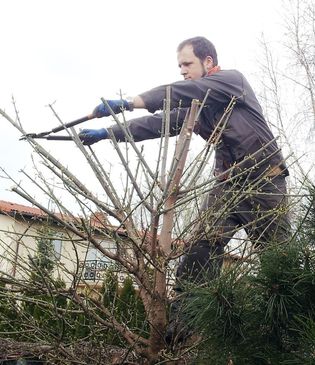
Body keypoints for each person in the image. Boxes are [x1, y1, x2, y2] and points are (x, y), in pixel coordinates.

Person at [79, 36, 290, 343]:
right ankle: (184, 323)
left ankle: (287, 335)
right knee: (201, 246)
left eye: (187, 64)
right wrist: (108, 133)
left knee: (278, 261)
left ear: (208, 62)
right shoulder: (199, 108)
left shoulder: (231, 82)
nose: (183, 71)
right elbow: (156, 124)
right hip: (228, 185)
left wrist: (127, 102)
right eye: (179, 66)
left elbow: (184, 91)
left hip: (265, 181)